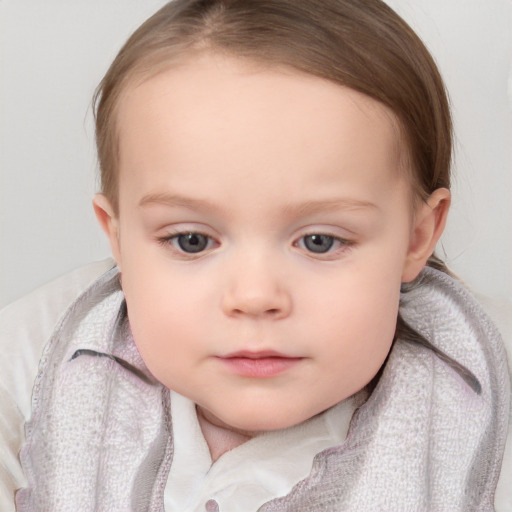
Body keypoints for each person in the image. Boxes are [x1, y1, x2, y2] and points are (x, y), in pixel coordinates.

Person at [1, 0, 510, 510]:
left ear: (416, 237)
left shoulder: (484, 400)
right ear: (119, 238)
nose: (255, 296)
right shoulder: (44, 356)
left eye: (320, 241)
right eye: (191, 241)